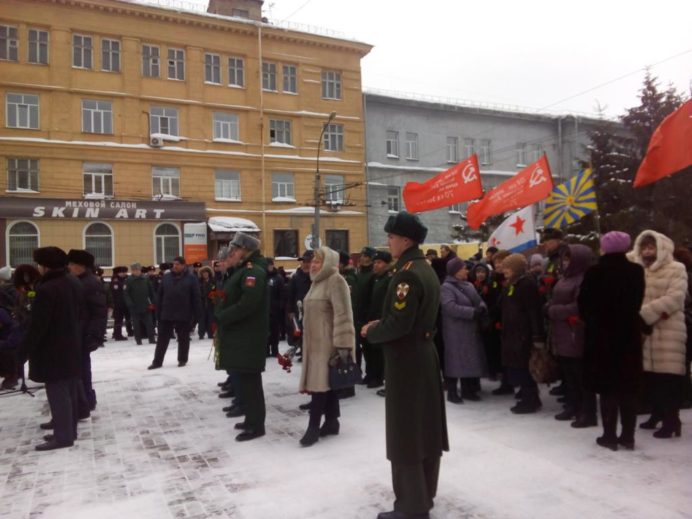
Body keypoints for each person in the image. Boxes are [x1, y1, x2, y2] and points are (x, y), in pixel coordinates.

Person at [362, 211, 448, 519]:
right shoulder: (424, 268)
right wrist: (385, 322)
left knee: (406, 433)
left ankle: (411, 506)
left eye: (392, 236)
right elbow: (409, 320)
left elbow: (399, 325)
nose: (389, 241)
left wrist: (373, 331)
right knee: (425, 429)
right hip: (423, 354)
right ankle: (424, 496)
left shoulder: (406, 274)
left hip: (407, 360)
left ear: (406, 240)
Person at [579, 231, 645, 450]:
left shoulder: (595, 272)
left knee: (608, 388)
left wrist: (594, 320)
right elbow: (637, 302)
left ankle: (609, 435)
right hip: (629, 336)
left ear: (605, 247)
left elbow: (584, 305)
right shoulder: (636, 271)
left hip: (602, 337)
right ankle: (628, 436)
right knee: (628, 387)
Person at [19, 247, 84, 451]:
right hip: (71, 343)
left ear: (45, 265)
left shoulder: (48, 288)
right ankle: (67, 430)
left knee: (57, 392)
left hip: (53, 348)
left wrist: (24, 351)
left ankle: (63, 436)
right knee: (69, 390)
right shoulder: (72, 281)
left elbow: (38, 325)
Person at [630, 230, 688, 439]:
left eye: (651, 247)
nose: (647, 251)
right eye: (644, 247)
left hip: (667, 329)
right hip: (645, 332)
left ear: (661, 248)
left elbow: (675, 297)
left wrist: (644, 314)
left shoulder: (676, 268)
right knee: (650, 378)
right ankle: (656, 414)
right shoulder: (638, 270)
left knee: (668, 379)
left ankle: (672, 420)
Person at [298, 247, 356, 446]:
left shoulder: (335, 281)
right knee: (326, 384)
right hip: (313, 345)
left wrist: (342, 347)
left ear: (329, 263)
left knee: (319, 387)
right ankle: (332, 422)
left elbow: (344, 315)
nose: (313, 265)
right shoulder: (316, 282)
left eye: (318, 262)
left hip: (328, 345)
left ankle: (313, 427)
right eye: (313, 261)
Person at [215, 233, 269, 441]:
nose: (232, 253)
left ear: (246, 251)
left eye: (235, 249)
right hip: (240, 335)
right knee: (246, 383)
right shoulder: (241, 271)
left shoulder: (253, 272)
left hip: (248, 336)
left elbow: (248, 304)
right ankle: (250, 419)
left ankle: (257, 426)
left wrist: (223, 317)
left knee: (251, 383)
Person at [545, 245, 597, 426]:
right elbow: (556, 299)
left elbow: (579, 306)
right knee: (569, 375)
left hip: (576, 333)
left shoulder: (584, 280)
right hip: (561, 333)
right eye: (564, 259)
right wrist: (549, 305)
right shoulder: (565, 279)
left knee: (581, 375)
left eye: (569, 259)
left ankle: (587, 412)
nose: (565, 262)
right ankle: (573, 405)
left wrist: (554, 310)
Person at [499, 253, 545, 414]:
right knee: (518, 367)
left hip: (523, 334)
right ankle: (527, 397)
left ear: (516, 268)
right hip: (513, 333)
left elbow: (534, 311)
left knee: (525, 368)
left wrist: (536, 335)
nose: (504, 270)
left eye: (508, 267)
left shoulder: (526, 284)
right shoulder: (512, 284)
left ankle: (530, 400)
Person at [441, 258, 488, 403]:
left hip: (470, 330)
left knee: (469, 360)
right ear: (455, 271)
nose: (466, 270)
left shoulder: (468, 285)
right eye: (463, 268)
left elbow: (478, 299)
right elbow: (450, 307)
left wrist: (481, 307)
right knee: (455, 361)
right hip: (455, 331)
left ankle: (468, 390)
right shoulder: (446, 287)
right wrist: (472, 312)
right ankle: (453, 391)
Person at [67, 249, 107, 416]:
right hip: (78, 333)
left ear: (80, 266)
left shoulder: (90, 283)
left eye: (71, 264)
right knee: (79, 369)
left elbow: (98, 312)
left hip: (84, 334)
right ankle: (84, 401)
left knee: (83, 369)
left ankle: (87, 400)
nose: (68, 267)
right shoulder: (78, 281)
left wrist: (94, 335)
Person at [148, 256, 202, 369]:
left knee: (183, 338)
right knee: (162, 339)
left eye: (177, 264)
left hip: (184, 312)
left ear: (184, 265)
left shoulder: (191, 278)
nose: (175, 266)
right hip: (167, 312)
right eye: (174, 264)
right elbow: (160, 296)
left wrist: (196, 316)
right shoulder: (166, 277)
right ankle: (157, 362)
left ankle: (182, 359)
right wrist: (158, 312)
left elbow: (196, 298)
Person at [365, 250, 393, 390]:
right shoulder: (376, 278)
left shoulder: (389, 278)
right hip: (372, 318)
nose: (375, 265)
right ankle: (371, 375)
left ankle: (378, 377)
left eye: (379, 263)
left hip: (381, 319)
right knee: (370, 349)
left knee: (379, 351)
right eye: (374, 262)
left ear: (387, 264)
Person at [472, 263, 503, 384]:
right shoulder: (474, 286)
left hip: (491, 321)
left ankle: (495, 370)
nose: (480, 275)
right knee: (484, 347)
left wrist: (491, 316)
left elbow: (496, 303)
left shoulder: (492, 285)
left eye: (483, 272)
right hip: (480, 321)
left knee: (493, 347)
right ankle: (489, 369)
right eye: (478, 272)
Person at [354, 247, 376, 382]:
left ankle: (372, 374)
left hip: (367, 317)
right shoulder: (359, 274)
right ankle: (361, 373)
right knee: (359, 347)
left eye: (365, 255)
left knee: (370, 348)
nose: (362, 257)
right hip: (358, 316)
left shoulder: (373, 275)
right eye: (362, 255)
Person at [125, 263, 157, 345]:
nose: (137, 271)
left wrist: (153, 302)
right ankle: (138, 340)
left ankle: (152, 339)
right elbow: (126, 294)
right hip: (134, 306)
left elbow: (151, 292)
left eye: (138, 270)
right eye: (135, 270)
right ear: (132, 271)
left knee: (150, 323)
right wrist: (130, 304)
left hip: (146, 305)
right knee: (136, 325)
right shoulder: (128, 280)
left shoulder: (145, 279)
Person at [265, 258, 284, 357]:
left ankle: (275, 350)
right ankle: (266, 350)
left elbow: (282, 294)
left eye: (270, 265)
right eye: (267, 265)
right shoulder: (262, 277)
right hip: (264, 310)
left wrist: (279, 306)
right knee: (265, 331)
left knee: (275, 331)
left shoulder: (278, 278)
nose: (269, 267)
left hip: (275, 310)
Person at [109, 266, 133, 340]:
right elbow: (115, 294)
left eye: (124, 272)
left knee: (128, 318)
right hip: (118, 304)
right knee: (118, 320)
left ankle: (130, 331)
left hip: (125, 303)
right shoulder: (115, 281)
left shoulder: (126, 280)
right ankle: (117, 334)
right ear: (118, 273)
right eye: (121, 272)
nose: (123, 274)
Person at [197, 266, 216, 340]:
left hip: (210, 303)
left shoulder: (213, 281)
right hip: (201, 303)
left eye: (206, 273)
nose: (205, 274)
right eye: (203, 273)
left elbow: (214, 290)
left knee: (210, 319)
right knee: (201, 320)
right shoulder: (199, 282)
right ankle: (201, 334)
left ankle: (210, 334)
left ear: (209, 273)